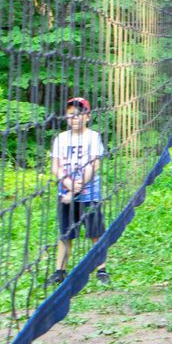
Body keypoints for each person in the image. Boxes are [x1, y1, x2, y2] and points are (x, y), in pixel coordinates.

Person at [49, 97, 108, 287]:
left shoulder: (93, 137)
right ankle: (59, 271)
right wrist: (67, 182)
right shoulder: (61, 138)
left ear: (87, 117)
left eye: (78, 114)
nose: (74, 118)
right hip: (65, 193)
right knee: (66, 234)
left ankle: (101, 269)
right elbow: (55, 166)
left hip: (89, 195)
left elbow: (94, 164)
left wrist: (79, 184)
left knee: (95, 232)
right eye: (70, 115)